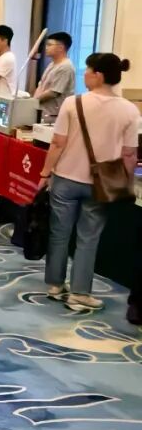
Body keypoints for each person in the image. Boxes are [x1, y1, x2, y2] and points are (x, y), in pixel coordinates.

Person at [38, 53, 137, 313]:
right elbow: (129, 154)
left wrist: (45, 173)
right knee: (88, 238)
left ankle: (55, 285)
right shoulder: (129, 110)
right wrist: (124, 183)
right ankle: (80, 293)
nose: (85, 75)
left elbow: (57, 142)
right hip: (100, 184)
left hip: (66, 177)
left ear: (98, 75)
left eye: (88, 71)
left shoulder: (73, 103)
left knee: (59, 233)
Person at [34, 32, 76, 122]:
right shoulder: (52, 64)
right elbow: (41, 85)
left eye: (49, 45)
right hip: (43, 111)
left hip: (54, 115)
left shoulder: (65, 66)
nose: (46, 48)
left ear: (61, 48)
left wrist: (33, 101)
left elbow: (53, 92)